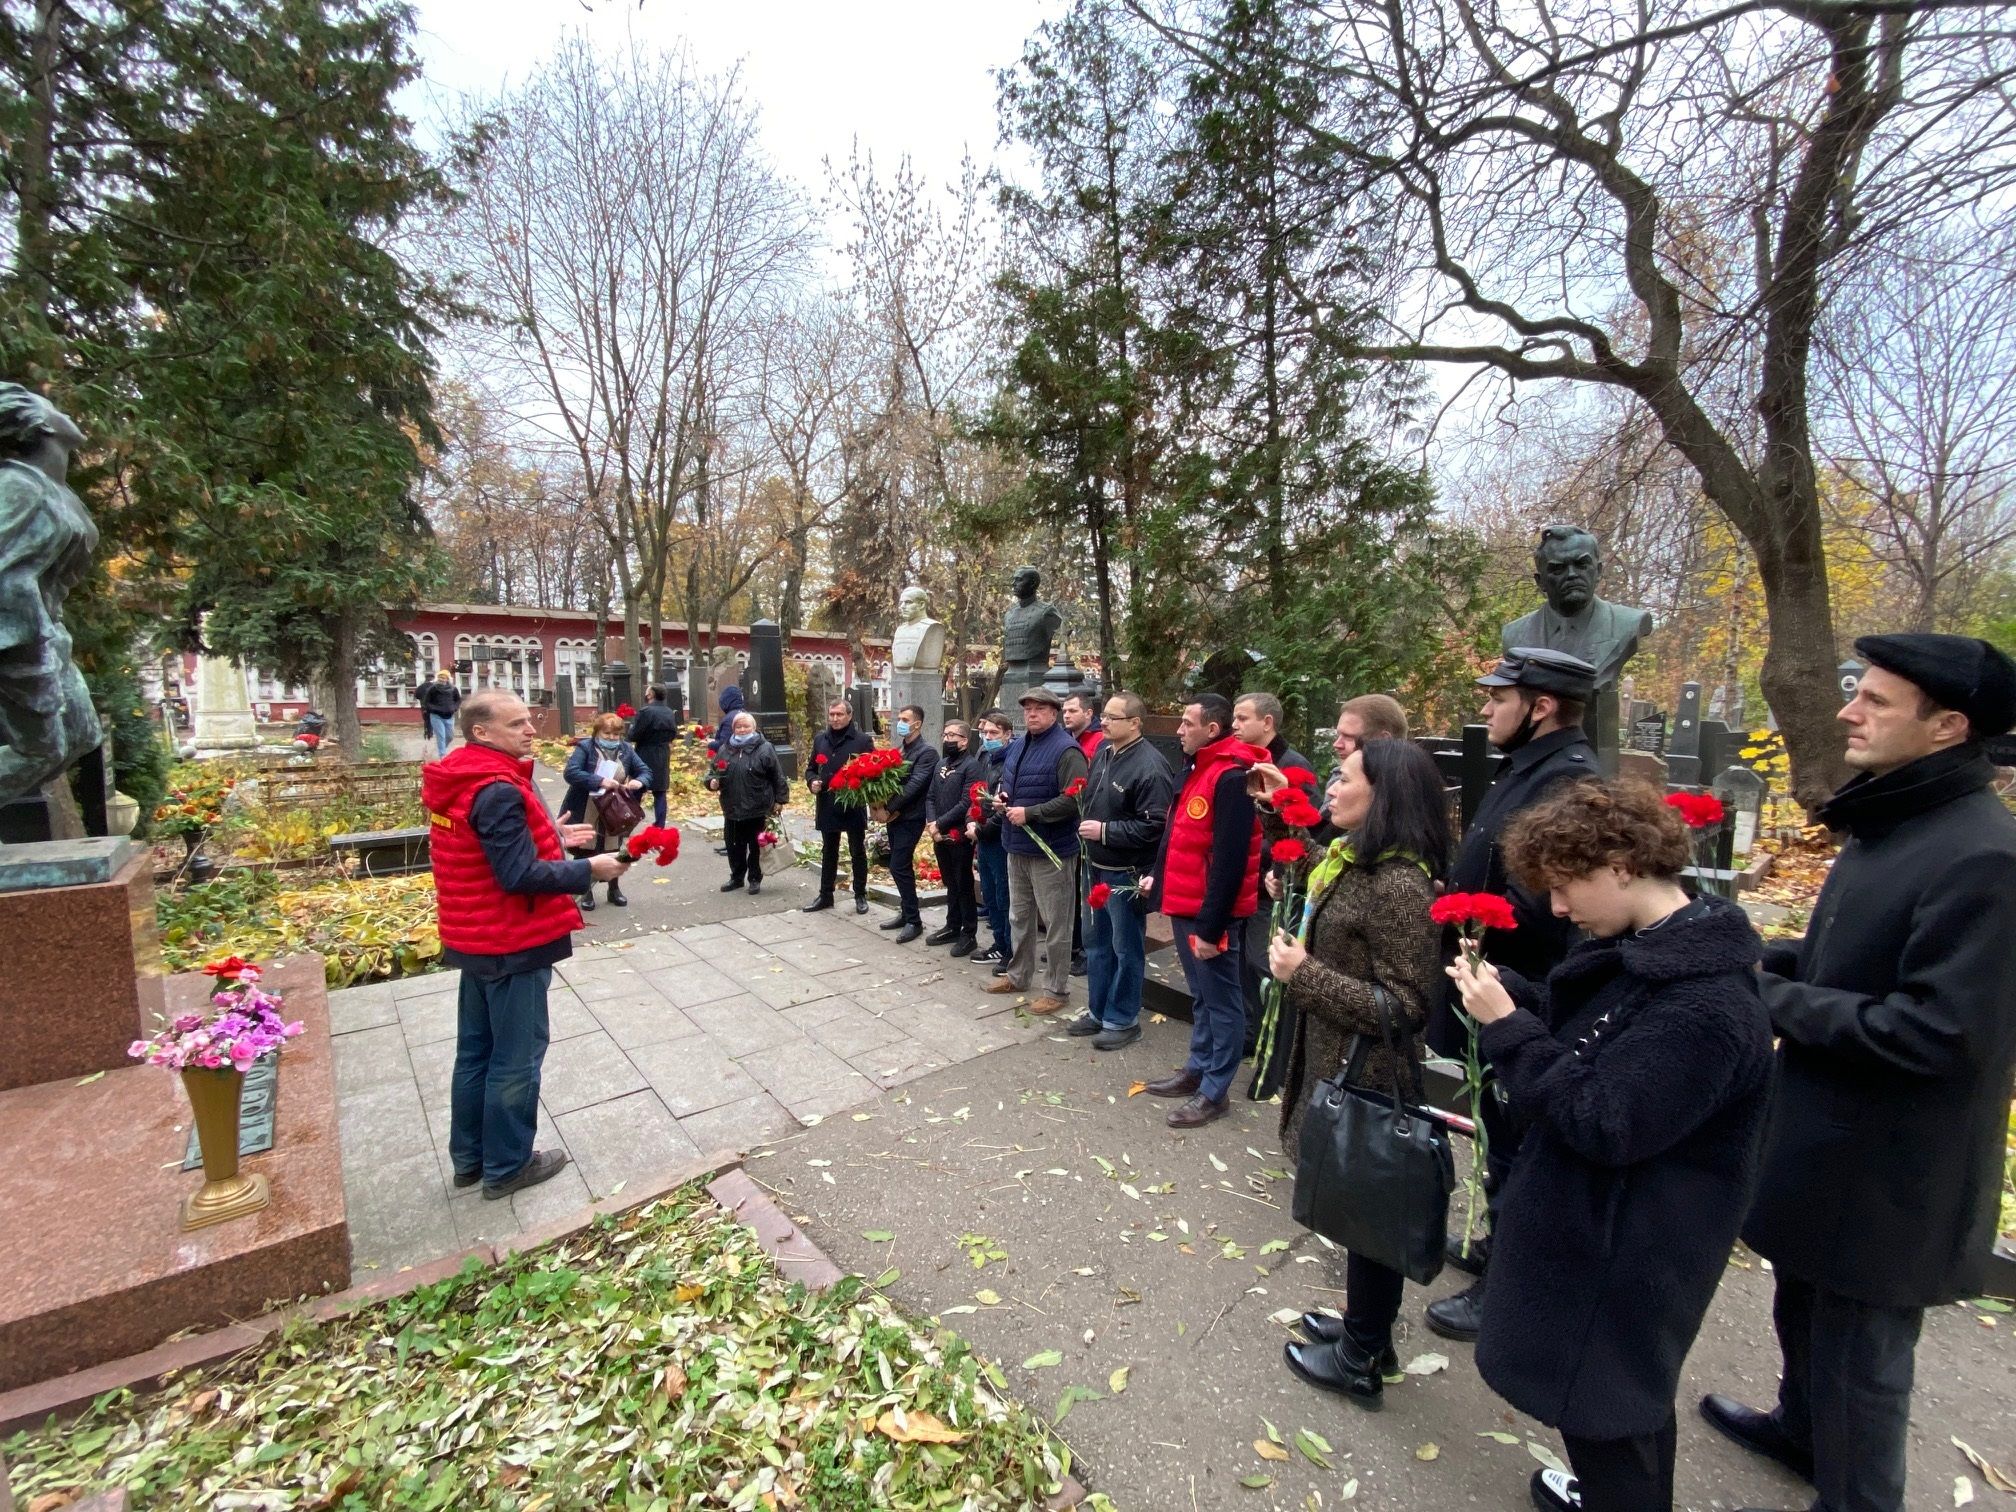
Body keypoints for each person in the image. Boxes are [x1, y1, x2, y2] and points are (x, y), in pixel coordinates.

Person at [1700, 633, 2016, 1512]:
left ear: (1948, 726)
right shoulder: (1898, 821)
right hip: (1830, 1138)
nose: (1849, 710)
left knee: (1861, 1360)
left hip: (1892, 1175)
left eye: (1876, 700)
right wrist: (1763, 959)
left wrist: (1777, 1004)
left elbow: (1945, 1032)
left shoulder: (1984, 856)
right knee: (1802, 1314)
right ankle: (1801, 1434)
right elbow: (1854, 951)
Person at [1447, 779, 1773, 1512]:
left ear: (1622, 863)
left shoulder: (1706, 1005)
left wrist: (1506, 1028)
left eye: (1567, 887)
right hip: (1604, 1234)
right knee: (1621, 1403)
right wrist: (1518, 997)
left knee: (1607, 1413)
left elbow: (1606, 1118)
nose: (1558, 908)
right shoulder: (1653, 950)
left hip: (1627, 1250)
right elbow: (1594, 1040)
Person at [1261, 739, 1449, 1408]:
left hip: (1367, 1074)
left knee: (1366, 1213)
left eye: (1343, 780)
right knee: (1355, 1211)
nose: (1330, 790)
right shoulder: (1356, 861)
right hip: (1336, 1060)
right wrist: (1279, 818)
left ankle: (1362, 1357)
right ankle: (1366, 1330)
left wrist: (1303, 975)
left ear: (1385, 797)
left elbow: (1407, 1006)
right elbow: (1336, 888)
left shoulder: (1402, 884)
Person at [1425, 647, 1599, 1344]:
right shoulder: (1530, 768)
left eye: (1499, 697)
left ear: (1543, 705)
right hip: (1489, 977)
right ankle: (1498, 1249)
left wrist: (1467, 911)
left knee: (1520, 1146)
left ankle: (1510, 1288)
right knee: (1500, 1135)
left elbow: (1548, 902)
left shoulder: (1565, 781)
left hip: (1520, 985)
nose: (1486, 707)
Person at [422, 689, 627, 1199]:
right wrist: (588, 868)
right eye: (517, 724)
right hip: (512, 939)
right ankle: (509, 1165)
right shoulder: (495, 788)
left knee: (476, 1051)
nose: (531, 729)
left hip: (477, 935)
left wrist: (551, 836)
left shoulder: (464, 777)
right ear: (481, 732)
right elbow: (516, 874)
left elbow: (488, 849)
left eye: (529, 720)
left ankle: (470, 1159)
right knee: (516, 1057)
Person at [1139, 694, 1262, 1127]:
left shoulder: (1230, 776)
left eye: (1188, 723)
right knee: (1203, 998)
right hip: (1186, 903)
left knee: (1223, 1002)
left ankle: (1215, 1091)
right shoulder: (1199, 769)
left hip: (1211, 915)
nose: (1179, 729)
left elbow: (1230, 860)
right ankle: (1197, 1069)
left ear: (1213, 729)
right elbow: (1178, 835)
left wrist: (1212, 927)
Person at [1068, 691, 1174, 1049]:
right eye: (1104, 716)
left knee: (1126, 947)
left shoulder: (1151, 766)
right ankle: (1098, 1011)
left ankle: (1123, 1018)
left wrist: (1105, 831)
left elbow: (1155, 827)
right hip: (1094, 866)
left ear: (1135, 723)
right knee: (1096, 944)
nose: (1104, 722)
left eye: (1113, 717)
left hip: (1125, 871)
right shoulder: (1103, 752)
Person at [983, 688, 1090, 1014]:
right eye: (1028, 708)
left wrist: (1031, 813)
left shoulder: (1067, 751)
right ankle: (1018, 975)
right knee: (1020, 917)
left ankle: (1056, 990)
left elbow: (1074, 800)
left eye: (1039, 709)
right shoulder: (1017, 746)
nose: (1032, 714)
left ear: (1054, 713)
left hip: (1051, 851)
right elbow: (1010, 784)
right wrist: (1003, 798)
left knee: (1057, 924)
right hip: (1016, 847)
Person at [1234, 691, 1317, 1055]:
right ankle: (1251, 1036)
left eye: (1242, 718)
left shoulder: (1292, 768)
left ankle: (1274, 1046)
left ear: (1267, 723)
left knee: (1262, 964)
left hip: (1273, 885)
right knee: (1244, 965)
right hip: (1244, 880)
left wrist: (1278, 870)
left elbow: (1303, 829)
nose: (1234, 726)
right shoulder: (1243, 760)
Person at [561, 712, 648, 912]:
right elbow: (571, 772)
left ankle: (614, 888)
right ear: (597, 732)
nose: (611, 738)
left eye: (615, 734)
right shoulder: (586, 748)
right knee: (586, 848)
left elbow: (645, 771)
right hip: (586, 807)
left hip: (613, 808)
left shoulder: (626, 750)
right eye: (606, 733)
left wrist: (639, 781)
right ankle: (586, 891)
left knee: (613, 848)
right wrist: (599, 781)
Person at [803, 698, 874, 915]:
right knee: (829, 851)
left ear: (849, 716)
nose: (835, 718)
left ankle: (860, 894)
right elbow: (811, 768)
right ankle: (826, 895)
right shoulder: (820, 740)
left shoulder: (862, 741)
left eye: (839, 714)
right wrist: (812, 781)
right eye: (832, 714)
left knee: (857, 850)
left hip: (853, 803)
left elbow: (873, 771)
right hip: (827, 803)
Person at [706, 710, 788, 896]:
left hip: (757, 806)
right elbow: (712, 772)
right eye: (738, 726)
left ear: (754, 728)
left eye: (746, 726)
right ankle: (736, 877)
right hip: (732, 806)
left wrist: (780, 799)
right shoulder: (725, 749)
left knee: (756, 845)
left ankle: (754, 878)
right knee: (734, 845)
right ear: (733, 728)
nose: (742, 729)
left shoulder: (765, 748)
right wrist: (711, 782)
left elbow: (777, 775)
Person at [924, 719, 987, 954]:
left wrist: (939, 824)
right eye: (945, 734)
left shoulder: (971, 766)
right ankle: (952, 925)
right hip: (939, 833)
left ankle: (968, 933)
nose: (947, 739)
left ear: (964, 740)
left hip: (958, 832)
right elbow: (930, 796)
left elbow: (966, 802)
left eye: (952, 736)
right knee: (950, 882)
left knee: (963, 883)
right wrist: (932, 823)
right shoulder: (941, 763)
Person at [875, 703, 934, 942]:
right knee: (898, 866)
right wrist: (876, 805)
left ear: (917, 724)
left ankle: (914, 921)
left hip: (911, 816)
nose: (899, 722)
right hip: (894, 816)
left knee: (898, 865)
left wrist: (888, 808)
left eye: (904, 718)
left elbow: (913, 786)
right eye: (898, 718)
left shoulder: (926, 752)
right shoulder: (900, 750)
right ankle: (906, 912)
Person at [1063, 691, 1106, 976]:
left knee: (1086, 891)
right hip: (1073, 827)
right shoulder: (1071, 742)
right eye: (1064, 711)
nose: (1066, 715)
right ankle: (1074, 946)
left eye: (1072, 711)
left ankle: (1087, 953)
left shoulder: (1098, 742)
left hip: (1092, 827)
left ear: (1089, 714)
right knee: (1073, 891)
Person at [970, 709, 1015, 965]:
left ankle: (1009, 948)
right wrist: (971, 819)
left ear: (1007, 734)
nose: (988, 737)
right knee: (989, 892)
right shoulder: (986, 757)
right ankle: (999, 942)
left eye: (994, 733)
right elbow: (976, 793)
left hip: (999, 838)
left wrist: (982, 829)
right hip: (983, 835)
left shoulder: (1010, 761)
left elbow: (1005, 803)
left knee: (1003, 895)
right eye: (985, 732)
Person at [626, 684, 681, 827]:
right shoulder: (669, 712)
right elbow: (673, 733)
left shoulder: (646, 711)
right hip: (662, 754)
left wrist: (630, 731)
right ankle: (660, 825)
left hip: (644, 753)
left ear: (650, 694)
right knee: (660, 792)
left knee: (637, 789)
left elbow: (634, 734)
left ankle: (629, 822)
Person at [1332, 693, 1409, 775]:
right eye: (1338, 735)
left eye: (1348, 737)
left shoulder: (1410, 785)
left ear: (1383, 740)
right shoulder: (1337, 777)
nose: (1337, 744)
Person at [421, 669, 461, 760]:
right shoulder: (433, 689)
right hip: (436, 716)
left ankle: (441, 748)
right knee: (441, 736)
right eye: (440, 677)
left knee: (450, 736)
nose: (442, 679)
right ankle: (442, 756)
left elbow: (458, 700)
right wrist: (433, 708)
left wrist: (454, 708)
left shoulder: (453, 689)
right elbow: (426, 702)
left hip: (449, 716)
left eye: (444, 678)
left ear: (447, 679)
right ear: (437, 678)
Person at [708, 683, 746, 754]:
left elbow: (724, 745)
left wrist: (709, 744)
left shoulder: (729, 719)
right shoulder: (745, 713)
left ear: (727, 701)